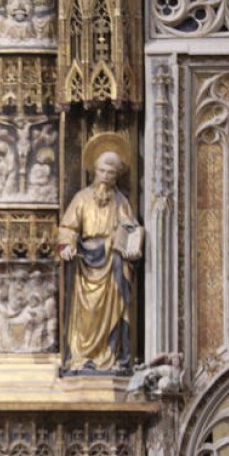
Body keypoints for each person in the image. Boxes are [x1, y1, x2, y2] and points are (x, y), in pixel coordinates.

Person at [57, 135, 143, 373]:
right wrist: (68, 245)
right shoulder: (82, 198)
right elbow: (67, 228)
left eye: (111, 173)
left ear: (117, 175)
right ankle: (82, 356)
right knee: (86, 317)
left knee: (116, 307)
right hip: (87, 263)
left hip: (112, 265)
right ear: (94, 170)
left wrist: (130, 240)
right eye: (102, 170)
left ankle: (112, 357)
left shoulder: (120, 201)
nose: (106, 176)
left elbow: (131, 226)